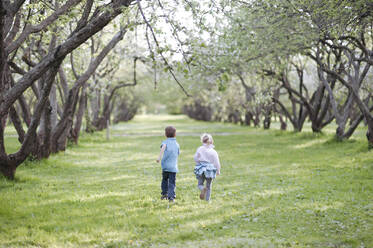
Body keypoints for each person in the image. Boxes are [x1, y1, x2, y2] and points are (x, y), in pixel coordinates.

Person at [194, 133, 221, 201]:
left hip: (201, 169)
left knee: (200, 184)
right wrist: (218, 170)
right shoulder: (213, 152)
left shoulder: (200, 149)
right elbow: (216, 162)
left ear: (202, 141)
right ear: (212, 141)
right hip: (210, 170)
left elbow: (196, 158)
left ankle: (202, 188)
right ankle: (207, 200)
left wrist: (198, 164)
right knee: (208, 186)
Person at [156, 126, 180, 202]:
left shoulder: (165, 142)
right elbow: (178, 153)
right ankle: (171, 197)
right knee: (172, 182)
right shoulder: (177, 144)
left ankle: (164, 194)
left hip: (165, 166)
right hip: (173, 167)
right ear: (175, 134)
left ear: (165, 134)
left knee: (165, 180)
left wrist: (159, 158)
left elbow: (163, 148)